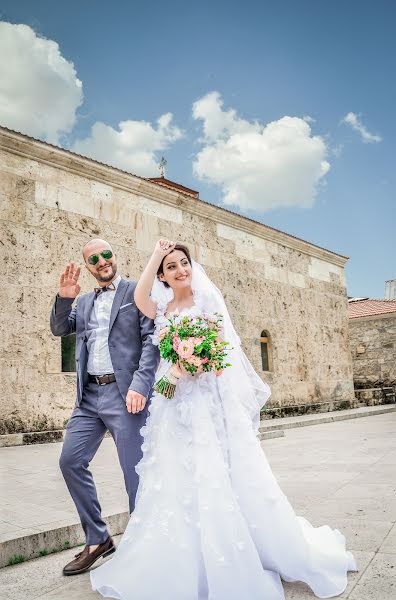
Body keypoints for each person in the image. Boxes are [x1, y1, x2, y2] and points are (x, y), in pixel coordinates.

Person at [90, 239, 357, 600]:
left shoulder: (207, 300)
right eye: (171, 267)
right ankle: (180, 556)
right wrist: (154, 256)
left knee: (211, 470)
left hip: (203, 403)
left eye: (183, 262)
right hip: (172, 407)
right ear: (164, 277)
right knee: (173, 472)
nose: (180, 270)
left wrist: (178, 371)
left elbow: (216, 351)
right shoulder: (163, 305)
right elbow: (139, 298)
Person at [50, 239, 159, 576]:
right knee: (70, 461)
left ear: (115, 257)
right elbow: (59, 328)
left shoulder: (134, 292)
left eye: (106, 254)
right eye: (93, 258)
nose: (102, 261)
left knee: (134, 474)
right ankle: (98, 539)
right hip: (88, 398)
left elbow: (151, 342)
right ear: (87, 266)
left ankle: (144, 547)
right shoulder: (82, 302)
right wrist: (64, 299)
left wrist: (140, 385)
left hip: (124, 394)